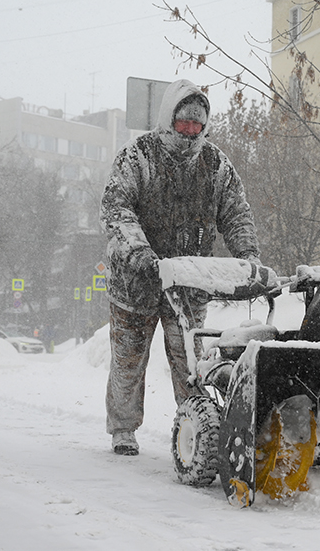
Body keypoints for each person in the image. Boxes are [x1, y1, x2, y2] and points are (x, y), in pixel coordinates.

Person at [100, 79, 273, 456]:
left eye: (198, 124)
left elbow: (236, 213)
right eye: (184, 123)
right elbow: (117, 211)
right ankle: (123, 428)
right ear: (169, 120)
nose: (191, 131)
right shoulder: (139, 157)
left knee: (191, 360)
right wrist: (143, 257)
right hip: (137, 279)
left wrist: (249, 257)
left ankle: (195, 422)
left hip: (189, 281)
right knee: (129, 358)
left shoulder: (215, 164)